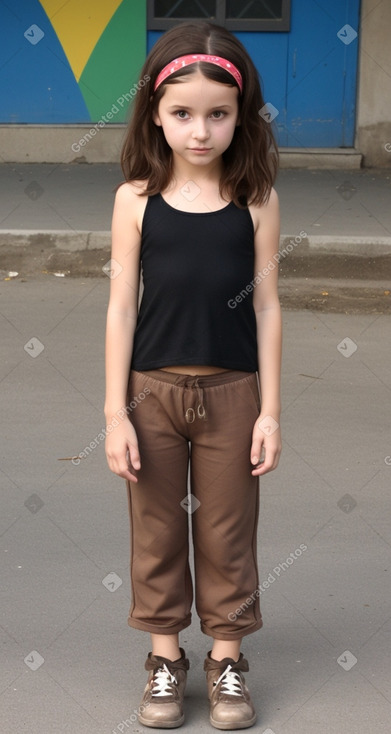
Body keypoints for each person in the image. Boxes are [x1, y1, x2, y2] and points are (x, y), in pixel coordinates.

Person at [104, 20, 282, 730]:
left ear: (241, 117)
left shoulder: (256, 200)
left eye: (217, 114)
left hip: (234, 392)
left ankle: (227, 661)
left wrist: (270, 410)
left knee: (227, 532)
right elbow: (121, 309)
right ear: (154, 112)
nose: (200, 131)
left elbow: (267, 306)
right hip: (151, 393)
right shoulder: (135, 199)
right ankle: (164, 660)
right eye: (182, 114)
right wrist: (115, 413)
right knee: (154, 530)